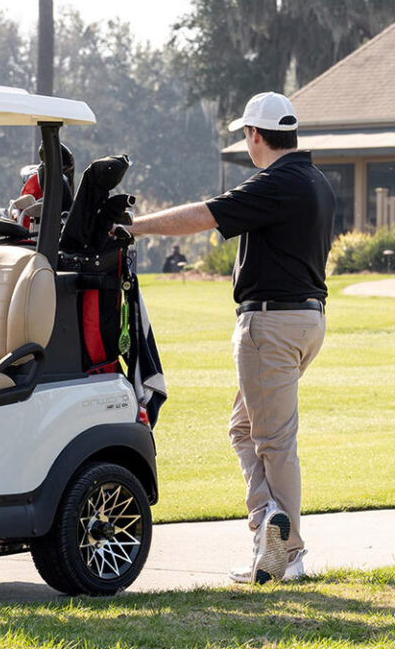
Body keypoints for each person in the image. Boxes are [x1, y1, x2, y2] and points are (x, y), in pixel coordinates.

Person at [122, 92, 336, 584]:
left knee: (273, 439)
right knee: (244, 429)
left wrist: (132, 228)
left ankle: (290, 549)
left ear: (255, 135)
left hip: (270, 324)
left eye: (245, 134)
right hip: (307, 320)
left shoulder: (276, 182)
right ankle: (268, 530)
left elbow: (203, 215)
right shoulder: (316, 181)